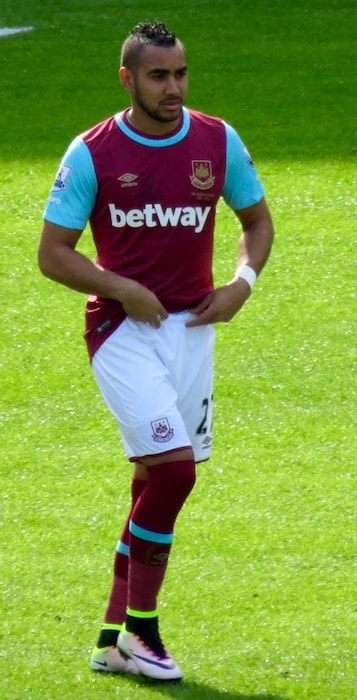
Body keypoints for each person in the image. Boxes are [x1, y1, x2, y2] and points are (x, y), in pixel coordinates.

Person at [38, 21, 274, 681]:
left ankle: (110, 640)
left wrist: (240, 285)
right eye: (158, 76)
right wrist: (121, 288)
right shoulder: (92, 153)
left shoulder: (216, 140)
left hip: (193, 331)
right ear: (127, 79)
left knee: (149, 481)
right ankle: (143, 633)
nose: (173, 88)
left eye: (180, 74)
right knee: (174, 474)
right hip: (122, 332)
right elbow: (51, 254)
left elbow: (256, 222)